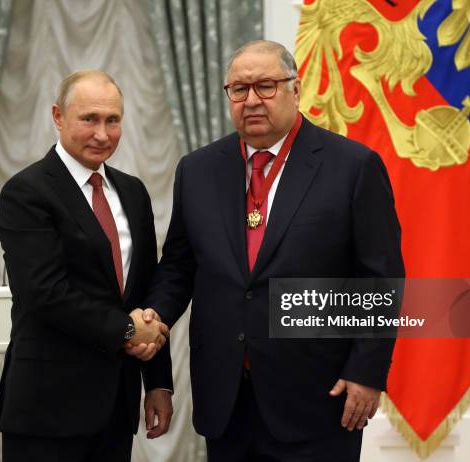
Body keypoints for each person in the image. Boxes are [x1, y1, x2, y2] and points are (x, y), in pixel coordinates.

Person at [138, 40, 404, 461]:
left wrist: (366, 372)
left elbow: (380, 278)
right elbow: (179, 267)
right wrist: (152, 318)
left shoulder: (352, 167)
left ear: (295, 90)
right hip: (226, 399)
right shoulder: (198, 170)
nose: (252, 100)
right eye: (239, 89)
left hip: (318, 399)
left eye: (266, 86)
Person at [0, 69, 173, 462]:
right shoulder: (26, 192)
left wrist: (158, 383)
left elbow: (144, 293)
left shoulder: (132, 191)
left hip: (116, 409)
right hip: (47, 408)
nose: (102, 134)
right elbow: (44, 293)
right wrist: (127, 330)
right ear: (58, 116)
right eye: (89, 119)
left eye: (113, 120)